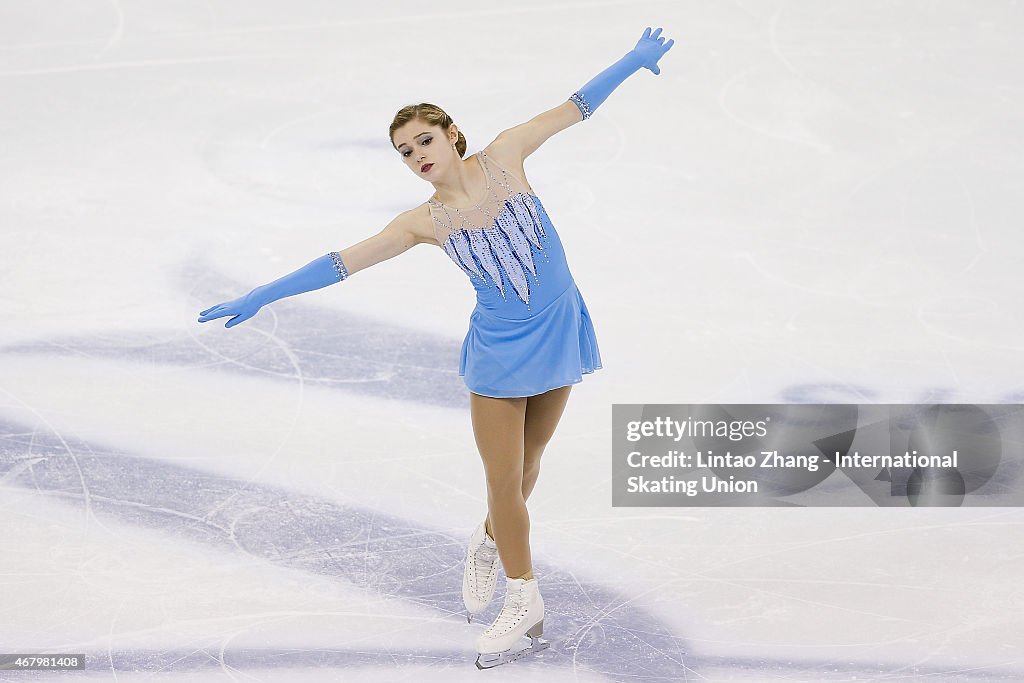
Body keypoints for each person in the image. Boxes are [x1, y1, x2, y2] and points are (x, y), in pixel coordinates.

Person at [197, 26, 673, 669]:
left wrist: (634, 62)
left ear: (452, 134)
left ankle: (485, 542)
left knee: (529, 469)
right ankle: (523, 595)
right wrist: (261, 295)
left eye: (424, 139)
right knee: (504, 480)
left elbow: (575, 107)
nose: (417, 154)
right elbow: (343, 262)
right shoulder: (421, 222)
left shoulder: (506, 155)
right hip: (499, 354)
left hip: (559, 328)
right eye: (404, 151)